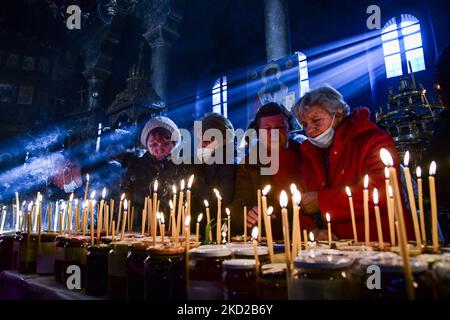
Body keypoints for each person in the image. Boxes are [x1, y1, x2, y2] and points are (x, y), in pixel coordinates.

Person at [293, 86, 413, 241]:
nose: (309, 130)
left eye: (316, 120)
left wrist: (322, 201)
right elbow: (303, 204)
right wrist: (312, 230)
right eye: (304, 124)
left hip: (382, 242)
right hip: (335, 252)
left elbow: (382, 191)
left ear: (338, 113)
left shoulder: (373, 141)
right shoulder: (309, 154)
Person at [230, 102, 316, 241]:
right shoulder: (248, 164)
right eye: (267, 129)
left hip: (308, 236)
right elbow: (239, 206)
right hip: (268, 240)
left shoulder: (307, 155)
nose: (274, 134)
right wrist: (246, 215)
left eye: (279, 127)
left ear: (289, 128)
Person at [121, 116, 187, 227]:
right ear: (147, 144)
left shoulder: (182, 167)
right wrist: (138, 216)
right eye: (154, 144)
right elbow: (123, 199)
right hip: (139, 229)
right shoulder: (135, 168)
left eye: (166, 144)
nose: (160, 149)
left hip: (172, 228)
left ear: (174, 144)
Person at [187, 113, 237, 241]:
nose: (201, 145)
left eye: (207, 141)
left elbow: (220, 200)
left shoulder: (230, 163)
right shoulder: (200, 161)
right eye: (199, 141)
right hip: (201, 231)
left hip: (219, 233)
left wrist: (194, 183)